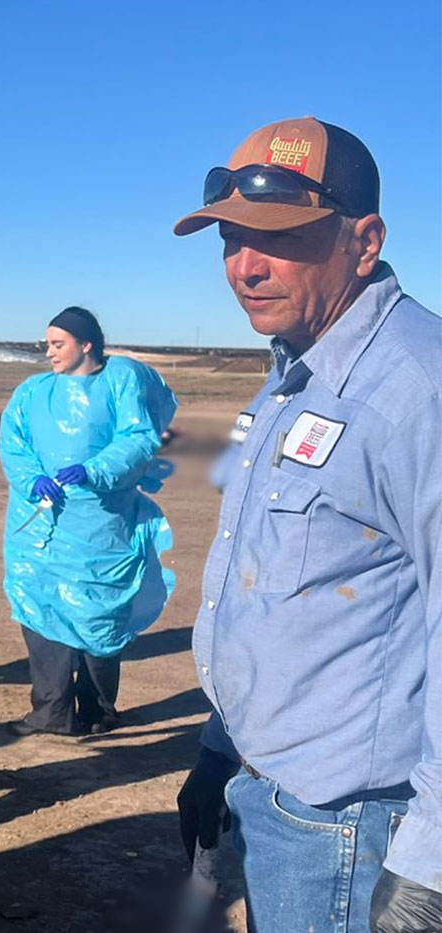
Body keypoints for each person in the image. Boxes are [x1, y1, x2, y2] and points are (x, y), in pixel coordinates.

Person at [172, 117, 442, 932]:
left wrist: (429, 866)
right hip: (273, 789)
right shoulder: (297, 370)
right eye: (229, 239)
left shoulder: (416, 391)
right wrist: (222, 747)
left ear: (365, 242)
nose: (243, 267)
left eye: (277, 239)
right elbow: (286, 589)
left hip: (354, 823)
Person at [0, 306, 177, 737]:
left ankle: (97, 709)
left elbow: (138, 437)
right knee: (41, 608)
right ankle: (51, 711)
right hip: (42, 524)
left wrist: (96, 470)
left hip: (101, 523)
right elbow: (13, 442)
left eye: (58, 344)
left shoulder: (120, 382)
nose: (49, 353)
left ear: (86, 345)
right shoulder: (33, 391)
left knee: (99, 611)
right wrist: (32, 480)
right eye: (48, 344)